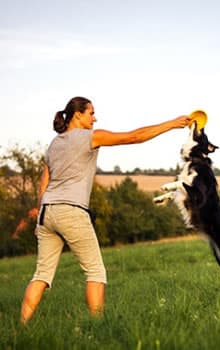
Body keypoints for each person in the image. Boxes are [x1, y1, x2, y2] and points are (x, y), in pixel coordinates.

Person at [20, 96, 190, 324]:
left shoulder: (54, 144)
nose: (95, 118)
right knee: (95, 272)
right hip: (72, 211)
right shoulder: (90, 137)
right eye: (91, 113)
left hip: (47, 212)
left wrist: (41, 217)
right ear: (77, 114)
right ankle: (97, 326)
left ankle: (21, 328)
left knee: (41, 275)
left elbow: (43, 184)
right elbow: (134, 137)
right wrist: (172, 124)